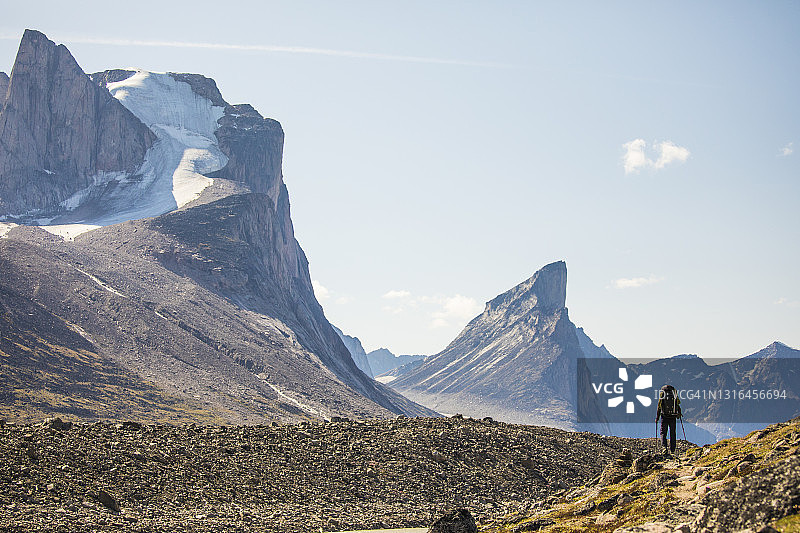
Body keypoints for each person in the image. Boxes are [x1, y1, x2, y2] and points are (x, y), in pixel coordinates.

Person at [655, 384, 681, 456]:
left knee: (663, 432)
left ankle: (664, 448)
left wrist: (657, 417)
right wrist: (679, 413)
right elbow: (678, 404)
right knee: (672, 433)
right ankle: (673, 450)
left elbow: (659, 406)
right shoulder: (674, 393)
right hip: (673, 416)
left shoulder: (662, 393)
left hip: (664, 416)